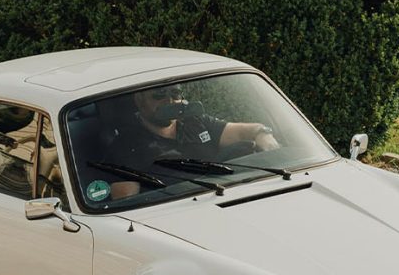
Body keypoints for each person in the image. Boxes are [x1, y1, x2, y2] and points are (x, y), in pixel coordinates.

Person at [86, 84, 279, 200]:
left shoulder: (196, 122)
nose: (169, 100)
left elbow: (245, 132)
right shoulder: (126, 146)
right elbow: (126, 206)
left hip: (231, 196)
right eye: (159, 95)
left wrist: (263, 135)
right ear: (139, 100)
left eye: (175, 93)